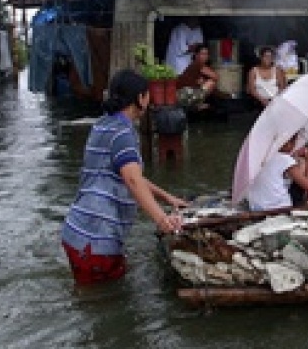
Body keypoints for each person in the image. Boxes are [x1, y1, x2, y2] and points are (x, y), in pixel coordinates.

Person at [60, 69, 187, 284]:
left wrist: (167, 198)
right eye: (148, 94)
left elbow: (130, 176)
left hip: (78, 230)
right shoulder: (123, 134)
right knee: (101, 303)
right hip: (96, 239)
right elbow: (132, 180)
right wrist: (162, 220)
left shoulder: (102, 125)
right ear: (140, 98)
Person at [246, 132, 308, 212]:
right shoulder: (284, 159)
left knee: (300, 163)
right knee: (302, 164)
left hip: (256, 206)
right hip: (279, 207)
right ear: (288, 143)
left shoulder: (258, 155)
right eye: (294, 143)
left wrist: (294, 158)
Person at [176, 43, 220, 108]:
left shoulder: (194, 64)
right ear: (196, 55)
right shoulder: (198, 64)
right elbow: (216, 76)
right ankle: (197, 104)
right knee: (211, 82)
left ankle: (196, 103)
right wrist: (204, 81)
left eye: (206, 54)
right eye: (203, 54)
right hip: (182, 95)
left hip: (182, 95)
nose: (205, 56)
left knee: (204, 83)